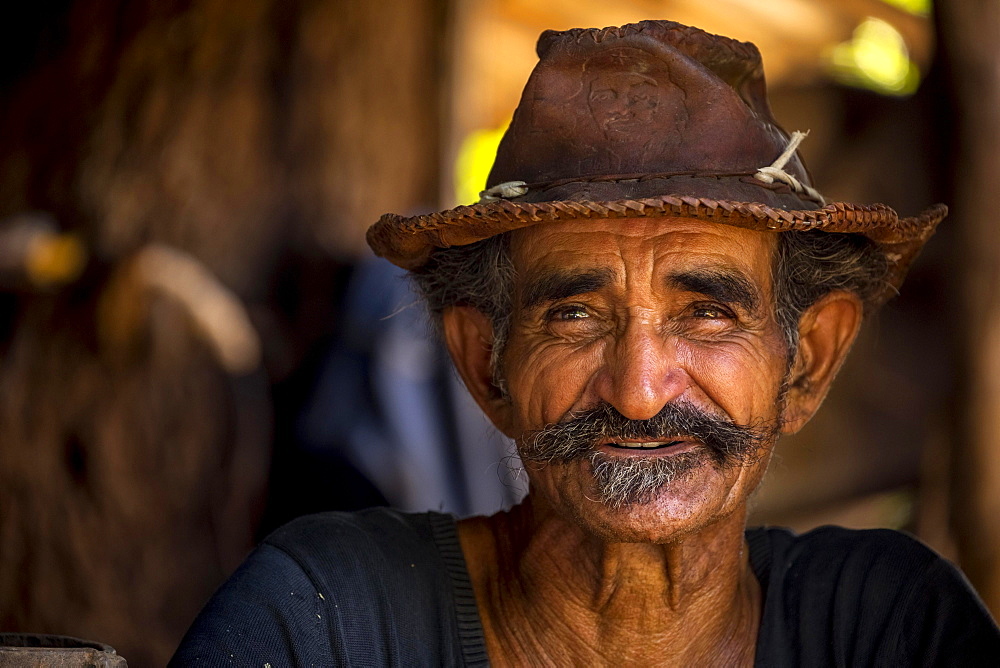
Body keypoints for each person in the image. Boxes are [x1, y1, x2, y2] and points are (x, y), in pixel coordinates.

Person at [171, 20, 1000, 666]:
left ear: (808, 360)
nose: (638, 391)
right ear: (482, 361)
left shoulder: (886, 629)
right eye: (574, 316)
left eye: (706, 313)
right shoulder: (327, 620)